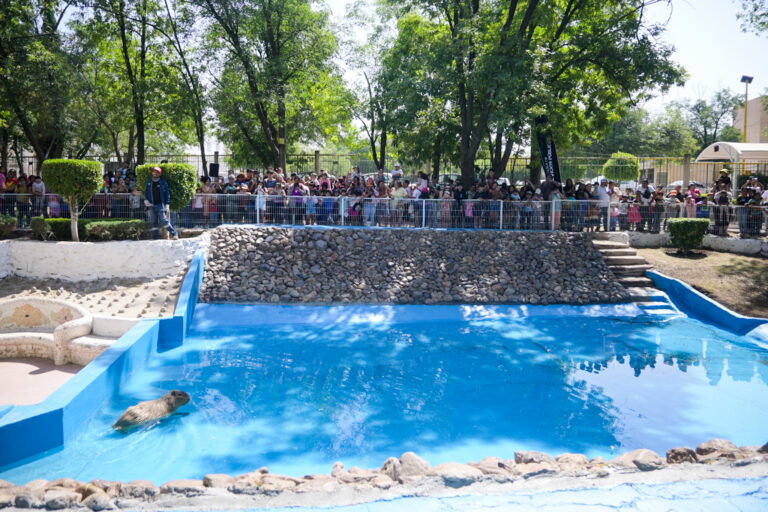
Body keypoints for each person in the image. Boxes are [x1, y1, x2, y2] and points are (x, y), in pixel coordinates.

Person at [144, 166, 178, 240]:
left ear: (160, 174)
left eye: (157, 172)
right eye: (154, 172)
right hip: (151, 205)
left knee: (164, 220)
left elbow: (167, 194)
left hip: (161, 205)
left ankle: (174, 234)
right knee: (154, 222)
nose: (155, 173)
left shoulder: (163, 182)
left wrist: (167, 204)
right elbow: (146, 192)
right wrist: (146, 200)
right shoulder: (149, 182)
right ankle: (156, 237)